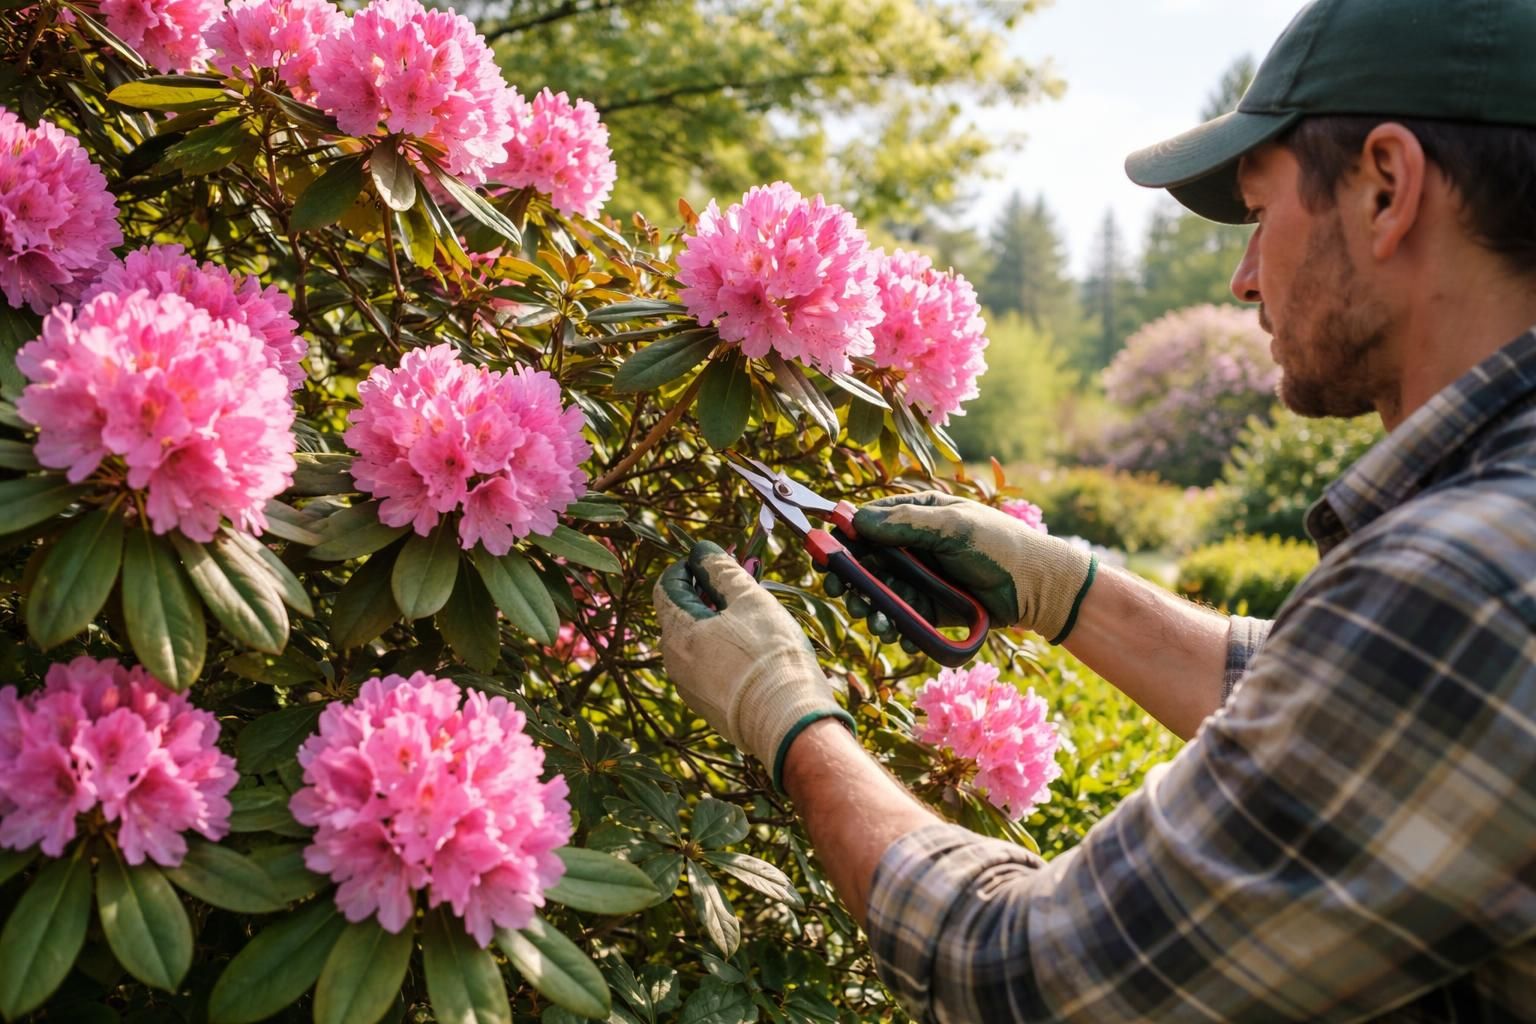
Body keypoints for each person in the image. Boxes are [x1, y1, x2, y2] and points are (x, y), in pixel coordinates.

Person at [652, 0, 1536, 1018]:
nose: (1246, 281)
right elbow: (1356, 713)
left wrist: (789, 717)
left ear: (1386, 187)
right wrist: (1069, 590)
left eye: (1259, 214)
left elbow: (1026, 971)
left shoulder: (1464, 574)